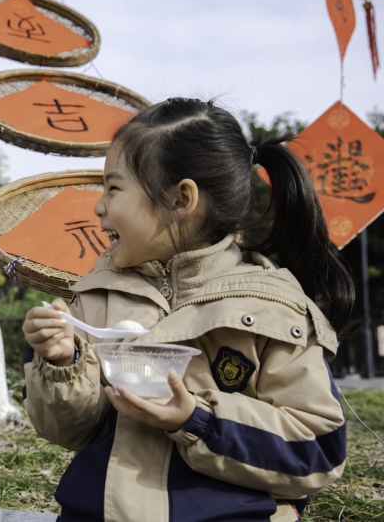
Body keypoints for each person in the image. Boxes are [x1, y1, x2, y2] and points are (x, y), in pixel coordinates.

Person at [22, 98, 350, 522]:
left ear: (181, 199)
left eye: (114, 189)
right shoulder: (96, 295)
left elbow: (318, 450)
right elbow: (68, 431)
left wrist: (197, 419)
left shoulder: (275, 307)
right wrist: (62, 362)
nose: (99, 206)